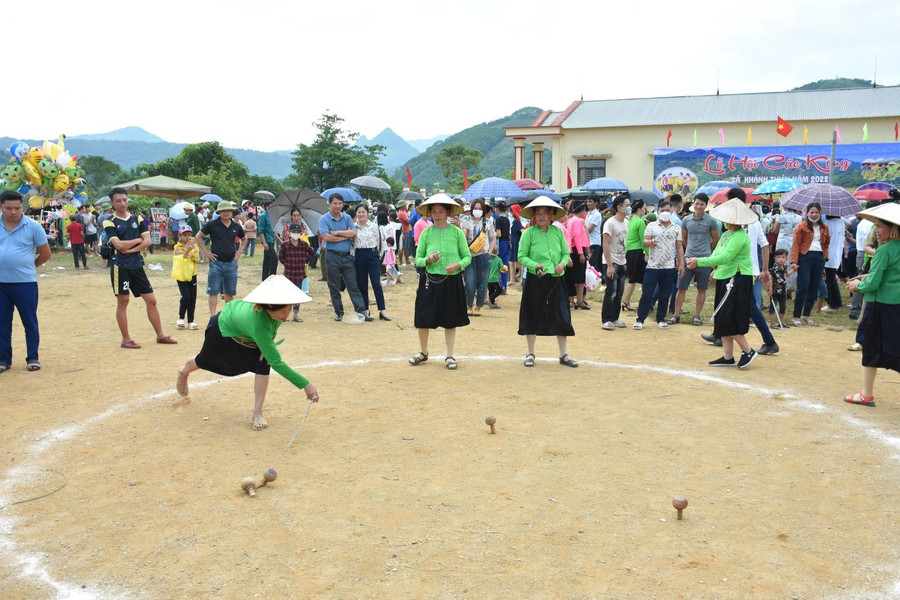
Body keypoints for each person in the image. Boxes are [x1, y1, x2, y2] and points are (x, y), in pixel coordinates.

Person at [176, 275, 319, 430]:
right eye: (283, 312)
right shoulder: (259, 324)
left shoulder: (273, 312)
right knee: (204, 360)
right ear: (269, 308)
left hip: (247, 333)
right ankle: (183, 372)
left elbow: (272, 330)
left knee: (263, 363)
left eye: (289, 310)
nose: (287, 315)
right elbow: (277, 362)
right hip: (223, 327)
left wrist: (267, 346)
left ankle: (257, 413)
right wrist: (306, 385)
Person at [687, 199, 758, 369]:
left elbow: (726, 257)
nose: (723, 221)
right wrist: (715, 269)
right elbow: (718, 254)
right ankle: (728, 357)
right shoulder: (727, 235)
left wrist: (699, 262)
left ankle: (748, 350)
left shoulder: (740, 236)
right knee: (721, 316)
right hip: (727, 277)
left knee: (728, 316)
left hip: (738, 279)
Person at [104, 187, 177, 349]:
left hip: (136, 265)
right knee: (123, 301)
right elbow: (118, 244)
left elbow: (148, 241)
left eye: (124, 200)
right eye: (118, 201)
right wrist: (138, 240)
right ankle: (126, 339)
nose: (122, 203)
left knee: (152, 300)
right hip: (120, 266)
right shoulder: (109, 221)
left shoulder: (137, 219)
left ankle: (160, 335)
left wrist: (130, 248)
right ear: (112, 203)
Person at [844, 204, 900, 406]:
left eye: (879, 226)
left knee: (870, 347)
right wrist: (867, 277)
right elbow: (891, 275)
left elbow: (874, 284)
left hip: (880, 306)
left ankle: (867, 394)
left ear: (892, 228)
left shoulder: (884, 250)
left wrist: (858, 285)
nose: (876, 230)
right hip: (896, 305)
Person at [409, 194, 471, 370]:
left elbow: (467, 257)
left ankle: (450, 356)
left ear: (448, 212)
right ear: (429, 213)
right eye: (434, 211)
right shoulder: (426, 233)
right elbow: (417, 259)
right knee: (423, 318)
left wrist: (458, 265)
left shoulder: (457, 233)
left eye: (441, 211)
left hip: (452, 281)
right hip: (429, 281)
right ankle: (423, 352)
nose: (437, 215)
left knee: (450, 319)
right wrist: (427, 260)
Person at [517, 197, 578, 368]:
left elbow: (566, 254)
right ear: (534, 216)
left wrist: (562, 264)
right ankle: (530, 353)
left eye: (545, 213)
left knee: (561, 315)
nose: (542, 216)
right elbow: (521, 256)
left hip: (557, 279)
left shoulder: (558, 232)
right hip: (536, 278)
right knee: (532, 314)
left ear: (551, 215)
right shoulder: (528, 233)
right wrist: (535, 265)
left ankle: (564, 354)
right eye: (538, 213)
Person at [0, 190, 51, 372]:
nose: (14, 212)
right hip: (1, 284)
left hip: (25, 284)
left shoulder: (33, 226)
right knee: (2, 322)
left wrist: (30, 268)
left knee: (29, 321)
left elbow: (46, 253)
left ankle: (33, 358)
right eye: (9, 208)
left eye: (18, 208)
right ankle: (4, 360)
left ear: (23, 207)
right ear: (1, 207)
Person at [634, 200, 683, 329]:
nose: (665, 213)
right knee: (647, 294)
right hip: (653, 266)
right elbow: (644, 242)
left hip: (668, 267)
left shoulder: (676, 228)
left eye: (667, 210)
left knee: (665, 295)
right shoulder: (651, 226)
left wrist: (681, 263)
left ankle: (661, 319)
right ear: (658, 212)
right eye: (662, 210)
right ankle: (640, 319)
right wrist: (650, 242)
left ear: (671, 211)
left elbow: (679, 247)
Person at [318, 193, 367, 322]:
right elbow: (326, 237)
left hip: (347, 257)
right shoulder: (324, 219)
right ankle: (338, 312)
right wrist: (345, 236)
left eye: (340, 203)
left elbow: (354, 233)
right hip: (332, 256)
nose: (338, 206)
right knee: (334, 286)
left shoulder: (346, 218)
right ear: (330, 204)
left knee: (353, 284)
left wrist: (338, 233)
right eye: (335, 203)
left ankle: (361, 311)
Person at [673, 193, 719, 326]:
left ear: (706, 206)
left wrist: (707, 252)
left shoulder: (711, 221)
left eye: (702, 204)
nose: (699, 206)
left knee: (702, 288)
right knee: (681, 288)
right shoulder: (686, 220)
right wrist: (689, 251)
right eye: (697, 203)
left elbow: (715, 239)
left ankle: (697, 316)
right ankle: (676, 314)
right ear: (693, 203)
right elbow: (684, 239)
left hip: (704, 259)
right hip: (688, 258)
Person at [196, 200, 246, 316]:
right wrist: (206, 252)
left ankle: (227, 315)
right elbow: (198, 236)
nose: (226, 213)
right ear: (219, 212)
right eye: (223, 211)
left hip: (231, 263)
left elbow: (244, 239)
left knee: (230, 291)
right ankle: (212, 316)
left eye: (228, 211)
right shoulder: (212, 224)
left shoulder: (236, 226)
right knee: (213, 291)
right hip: (216, 262)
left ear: (231, 212)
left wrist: (239, 253)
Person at [789, 202, 830, 326]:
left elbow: (827, 243)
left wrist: (825, 255)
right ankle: (796, 316)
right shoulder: (801, 226)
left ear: (820, 213)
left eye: (816, 212)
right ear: (807, 213)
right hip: (805, 256)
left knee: (814, 286)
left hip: (819, 257)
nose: (814, 214)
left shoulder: (824, 227)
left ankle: (806, 314)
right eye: (811, 212)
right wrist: (794, 261)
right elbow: (796, 244)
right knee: (803, 285)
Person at [353, 204, 391, 321]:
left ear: (367, 213)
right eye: (359, 212)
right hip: (359, 256)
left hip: (372, 255)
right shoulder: (353, 227)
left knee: (376, 283)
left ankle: (382, 310)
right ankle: (365, 310)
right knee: (362, 284)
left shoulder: (374, 226)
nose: (361, 214)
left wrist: (377, 256)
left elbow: (379, 242)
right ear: (356, 214)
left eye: (363, 212)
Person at [459, 198, 496, 316]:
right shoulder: (466, 221)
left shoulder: (488, 222)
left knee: (483, 282)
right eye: (475, 208)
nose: (477, 210)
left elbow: (493, 238)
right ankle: (468, 305)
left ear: (483, 210)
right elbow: (463, 237)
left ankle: (479, 306)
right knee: (470, 281)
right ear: (472, 209)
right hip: (470, 256)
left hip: (484, 256)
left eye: (480, 209)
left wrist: (489, 252)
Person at [600, 194, 630, 329]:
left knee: (619, 292)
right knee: (611, 292)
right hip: (611, 261)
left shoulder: (626, 222)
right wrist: (610, 265)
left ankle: (615, 318)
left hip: (622, 261)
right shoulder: (610, 223)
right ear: (619, 207)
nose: (629, 208)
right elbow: (605, 244)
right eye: (627, 205)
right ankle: (606, 319)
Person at [278, 222, 315, 322]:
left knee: (298, 295)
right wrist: (287, 263)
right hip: (288, 274)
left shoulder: (304, 245)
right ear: (289, 233)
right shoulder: (285, 245)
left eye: (298, 232)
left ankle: (295, 314)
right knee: (287, 295)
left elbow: (312, 252)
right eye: (294, 232)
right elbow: (281, 257)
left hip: (299, 274)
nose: (296, 233)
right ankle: (284, 314)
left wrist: (305, 260)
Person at [171, 226, 200, 330]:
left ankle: (191, 321)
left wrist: (187, 253)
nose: (187, 237)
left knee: (192, 298)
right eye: (185, 235)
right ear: (180, 236)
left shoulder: (194, 246)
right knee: (186, 296)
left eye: (189, 235)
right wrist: (187, 251)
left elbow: (196, 258)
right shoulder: (177, 246)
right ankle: (181, 317)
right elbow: (180, 257)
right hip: (181, 275)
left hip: (192, 274)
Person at [622, 199, 648, 311]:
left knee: (634, 278)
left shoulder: (629, 220)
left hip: (629, 251)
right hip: (638, 251)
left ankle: (629, 301)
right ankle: (643, 302)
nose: (645, 210)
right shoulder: (640, 222)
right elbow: (644, 241)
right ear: (639, 209)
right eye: (644, 208)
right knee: (640, 279)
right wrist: (647, 253)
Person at [564, 201, 590, 310]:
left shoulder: (570, 220)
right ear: (582, 211)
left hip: (572, 250)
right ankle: (579, 300)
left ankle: (572, 300)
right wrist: (581, 254)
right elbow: (578, 238)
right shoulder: (578, 221)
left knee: (571, 276)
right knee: (579, 278)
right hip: (578, 250)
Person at [492, 200, 512, 291]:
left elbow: (499, 234)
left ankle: (498, 286)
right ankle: (504, 287)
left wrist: (492, 235)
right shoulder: (507, 219)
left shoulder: (498, 220)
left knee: (497, 264)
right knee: (504, 265)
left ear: (498, 209)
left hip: (502, 243)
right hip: (508, 242)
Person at [257, 199, 278, 280]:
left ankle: (265, 278)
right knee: (274, 258)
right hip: (266, 240)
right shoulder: (263, 216)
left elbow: (273, 230)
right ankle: (272, 276)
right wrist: (264, 242)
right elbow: (261, 230)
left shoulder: (272, 216)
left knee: (267, 260)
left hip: (271, 239)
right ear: (266, 207)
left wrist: (278, 239)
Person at [768, 248, 789, 329]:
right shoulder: (774, 269)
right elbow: (770, 279)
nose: (781, 259)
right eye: (778, 257)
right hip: (775, 290)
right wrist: (770, 289)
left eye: (783, 257)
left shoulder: (785, 268)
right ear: (775, 258)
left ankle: (780, 321)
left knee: (783, 306)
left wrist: (793, 270)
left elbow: (786, 275)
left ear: (786, 258)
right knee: (773, 306)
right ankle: (772, 323)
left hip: (783, 291)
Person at [585, 195, 605, 273]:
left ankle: (602, 280)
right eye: (587, 201)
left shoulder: (597, 214)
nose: (588, 203)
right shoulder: (588, 214)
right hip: (589, 241)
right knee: (591, 263)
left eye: (590, 201)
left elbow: (589, 229)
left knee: (592, 263)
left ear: (596, 203)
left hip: (594, 242)